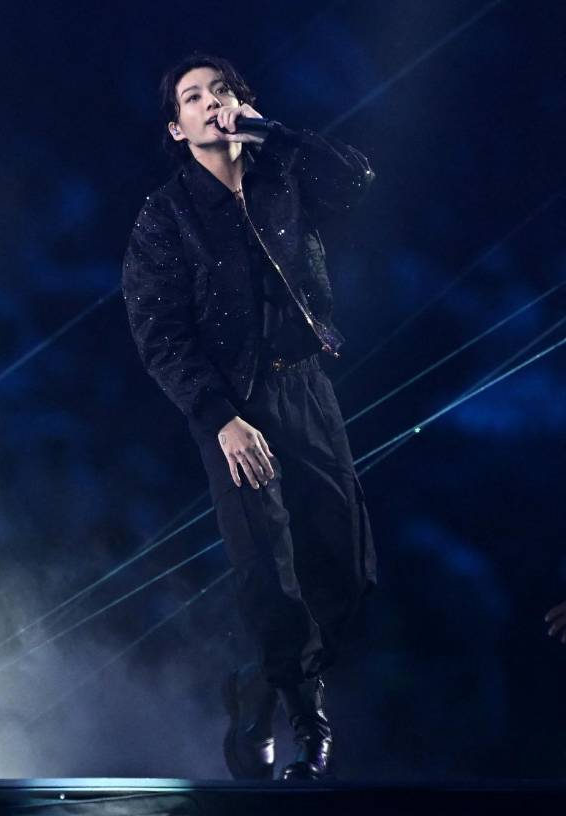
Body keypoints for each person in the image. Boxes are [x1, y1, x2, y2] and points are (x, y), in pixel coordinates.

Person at [121, 52, 377, 781]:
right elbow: (159, 334)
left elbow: (356, 181)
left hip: (307, 389)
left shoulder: (282, 176)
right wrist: (220, 419)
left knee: (348, 570)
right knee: (268, 568)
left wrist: (274, 133)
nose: (211, 103)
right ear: (176, 128)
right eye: (193, 97)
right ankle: (306, 720)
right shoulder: (166, 216)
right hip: (233, 409)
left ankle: (256, 686)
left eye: (221, 90)